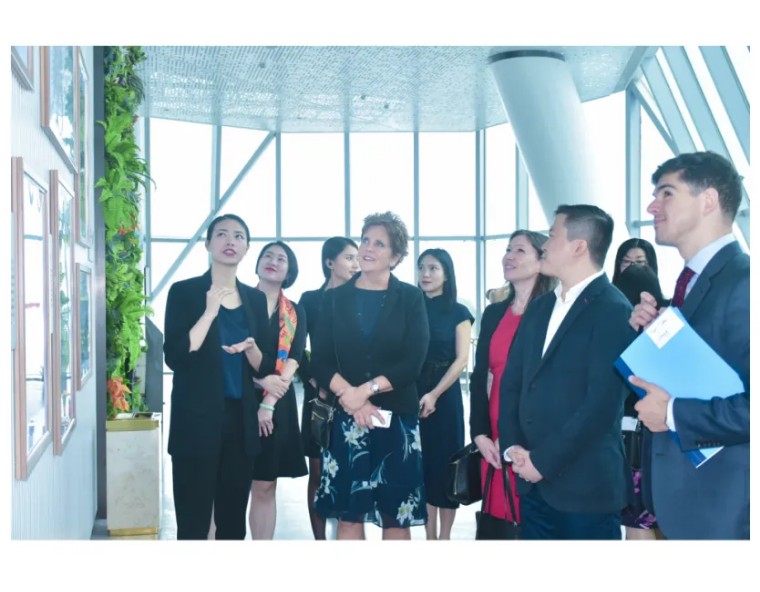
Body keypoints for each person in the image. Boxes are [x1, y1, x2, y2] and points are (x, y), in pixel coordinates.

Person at [629, 151, 749, 540]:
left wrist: (673, 413)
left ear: (708, 200)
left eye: (667, 193)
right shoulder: (691, 285)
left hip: (727, 509)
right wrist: (655, 335)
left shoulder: (745, 283)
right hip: (687, 503)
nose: (652, 206)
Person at [498, 205, 635, 540]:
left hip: (584, 490)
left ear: (579, 247)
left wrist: (542, 462)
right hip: (532, 484)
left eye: (552, 235)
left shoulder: (613, 309)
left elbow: (600, 407)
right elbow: (513, 382)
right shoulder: (541, 306)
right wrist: (514, 447)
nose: (544, 244)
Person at [311, 211, 430, 540]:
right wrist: (352, 399)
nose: (367, 248)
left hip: (397, 422)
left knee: (396, 517)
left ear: (395, 257)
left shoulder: (410, 298)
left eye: (379, 244)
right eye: (365, 240)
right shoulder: (334, 299)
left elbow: (413, 361)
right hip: (347, 420)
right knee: (349, 515)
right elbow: (320, 360)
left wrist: (364, 391)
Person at [164, 214, 273, 540]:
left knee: (232, 524)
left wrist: (251, 349)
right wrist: (210, 312)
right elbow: (176, 356)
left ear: (247, 248)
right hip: (195, 422)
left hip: (239, 422)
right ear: (208, 244)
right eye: (222, 234)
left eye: (239, 236)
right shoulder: (184, 292)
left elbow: (264, 367)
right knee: (193, 523)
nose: (230, 241)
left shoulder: (255, 299)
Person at [469, 230, 555, 534]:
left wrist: (511, 434)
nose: (509, 256)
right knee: (498, 521)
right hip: (492, 431)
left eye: (519, 250)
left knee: (529, 518)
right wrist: (479, 433)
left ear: (541, 260)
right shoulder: (494, 313)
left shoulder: (550, 313)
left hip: (530, 430)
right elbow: (479, 375)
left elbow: (546, 382)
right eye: (508, 249)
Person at [298, 236, 360, 540]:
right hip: (319, 396)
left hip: (354, 394)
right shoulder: (310, 300)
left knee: (352, 468)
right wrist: (314, 381)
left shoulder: (362, 297)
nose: (356, 264)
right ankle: (320, 540)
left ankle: (349, 535)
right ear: (329, 262)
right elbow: (296, 347)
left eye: (357, 258)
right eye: (349, 258)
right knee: (318, 471)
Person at [248, 241, 308, 539]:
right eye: (267, 256)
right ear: (257, 263)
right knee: (227, 484)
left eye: (281, 259)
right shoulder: (238, 301)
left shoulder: (295, 311)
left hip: (277, 402)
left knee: (265, 483)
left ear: (289, 271)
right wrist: (259, 382)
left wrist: (268, 401)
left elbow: (294, 357)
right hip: (238, 397)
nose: (273, 261)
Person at [416, 248, 473, 540]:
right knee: (423, 466)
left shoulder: (459, 312)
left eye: (433, 268)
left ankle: (445, 538)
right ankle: (429, 538)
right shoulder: (412, 308)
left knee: (446, 466)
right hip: (414, 392)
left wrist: (435, 394)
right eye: (422, 267)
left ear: (447, 274)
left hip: (445, 395)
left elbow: (461, 360)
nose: (425, 274)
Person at [612, 260, 665, 540]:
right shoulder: (667, 327)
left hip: (627, 441)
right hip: (663, 441)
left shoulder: (618, 330)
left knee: (636, 523)